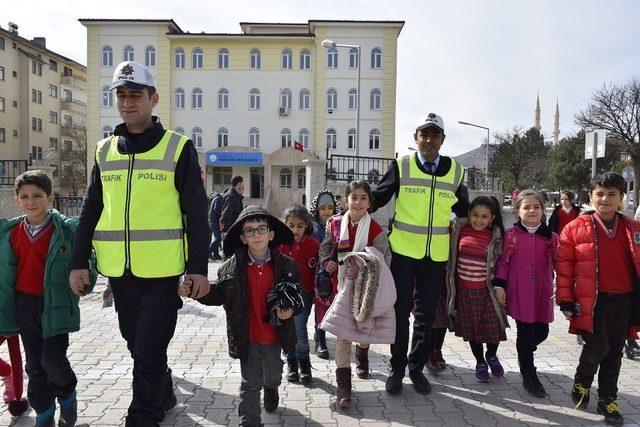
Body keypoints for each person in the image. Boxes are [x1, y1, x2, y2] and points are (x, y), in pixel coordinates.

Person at [68, 61, 210, 427]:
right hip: (119, 273)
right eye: (121, 95)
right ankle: (162, 392)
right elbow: (90, 210)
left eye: (135, 95)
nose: (128, 102)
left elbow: (196, 214)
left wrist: (197, 269)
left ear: (153, 99)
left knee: (147, 350)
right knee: (136, 344)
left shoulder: (178, 148)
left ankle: (143, 416)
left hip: (163, 273)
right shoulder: (104, 150)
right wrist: (77, 261)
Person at [371, 113, 469, 395]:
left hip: (435, 256)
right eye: (423, 135)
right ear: (416, 138)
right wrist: (355, 208)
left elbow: (464, 210)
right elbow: (380, 197)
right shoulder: (402, 165)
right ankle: (397, 369)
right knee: (400, 314)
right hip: (402, 252)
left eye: (434, 135)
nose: (428, 140)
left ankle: (416, 368)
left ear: (442, 140)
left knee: (426, 316)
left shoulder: (455, 170)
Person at [0, 170, 97, 427]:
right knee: (34, 363)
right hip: (24, 304)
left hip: (55, 304)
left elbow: (88, 259)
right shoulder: (10, 231)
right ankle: (44, 413)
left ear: (50, 198)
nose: (31, 201)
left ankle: (67, 395)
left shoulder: (66, 229)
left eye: (38, 196)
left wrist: (85, 279)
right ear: (17, 199)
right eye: (25, 197)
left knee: (52, 359)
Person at [189, 205, 301, 427]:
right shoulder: (229, 269)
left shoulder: (288, 266)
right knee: (249, 385)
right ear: (242, 237)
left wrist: (290, 309)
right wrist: (196, 291)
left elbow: (297, 296)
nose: (256, 235)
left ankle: (272, 388)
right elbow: (218, 294)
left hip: (274, 336)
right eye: (249, 230)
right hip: (247, 338)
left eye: (261, 229)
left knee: (272, 375)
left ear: (271, 233)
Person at [557, 172, 640, 426]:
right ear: (590, 196)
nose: (605, 199)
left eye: (611, 194)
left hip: (624, 300)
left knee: (614, 352)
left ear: (620, 198)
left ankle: (607, 399)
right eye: (600, 194)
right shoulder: (575, 227)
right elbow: (564, 265)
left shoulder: (632, 227)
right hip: (592, 301)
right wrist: (565, 299)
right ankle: (582, 381)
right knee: (598, 346)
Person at [319, 180, 392, 407]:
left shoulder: (376, 229)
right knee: (343, 336)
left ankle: (362, 355)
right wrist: (326, 261)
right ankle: (344, 388)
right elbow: (324, 246)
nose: (358, 202)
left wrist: (361, 263)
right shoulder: (335, 223)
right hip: (340, 287)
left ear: (369, 203)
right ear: (346, 200)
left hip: (364, 290)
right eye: (354, 197)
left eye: (363, 198)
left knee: (362, 332)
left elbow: (382, 258)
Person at [494, 190, 558, 398]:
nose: (532, 210)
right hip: (520, 292)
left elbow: (561, 264)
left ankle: (525, 352)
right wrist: (499, 286)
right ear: (517, 211)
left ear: (543, 210)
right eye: (526, 207)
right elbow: (503, 263)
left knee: (542, 333)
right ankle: (529, 375)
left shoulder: (552, 237)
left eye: (536, 207)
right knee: (525, 332)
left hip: (542, 292)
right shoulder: (511, 235)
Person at [446, 196, 508, 383]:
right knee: (472, 330)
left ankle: (491, 355)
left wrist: (500, 287)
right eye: (475, 215)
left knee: (493, 328)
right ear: (469, 214)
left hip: (487, 292)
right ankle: (480, 362)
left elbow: (501, 264)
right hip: (464, 292)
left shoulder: (496, 236)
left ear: (492, 218)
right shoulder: (459, 231)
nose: (479, 220)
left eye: (484, 216)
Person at [278, 204, 320, 385]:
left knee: (300, 329)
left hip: (305, 294)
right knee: (287, 330)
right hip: (285, 295)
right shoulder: (279, 244)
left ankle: (304, 363)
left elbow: (321, 266)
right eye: (291, 225)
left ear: (306, 226)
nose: (295, 230)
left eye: (300, 226)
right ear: (285, 224)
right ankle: (292, 364)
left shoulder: (313, 244)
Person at [309, 190, 338, 358]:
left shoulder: (337, 225)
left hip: (330, 272)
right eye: (323, 208)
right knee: (319, 307)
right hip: (314, 272)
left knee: (328, 306)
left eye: (329, 207)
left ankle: (324, 332)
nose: (326, 211)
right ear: (316, 210)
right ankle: (320, 340)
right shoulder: (312, 227)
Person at [0, 335, 28, 417]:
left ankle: (6, 373)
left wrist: (18, 396)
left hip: (7, 328)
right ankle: (6, 372)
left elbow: (16, 359)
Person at [208, 191, 224, 260]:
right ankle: (208, 251)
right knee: (218, 237)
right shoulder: (219, 199)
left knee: (217, 237)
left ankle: (216, 254)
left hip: (213, 221)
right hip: (215, 221)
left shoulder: (216, 198)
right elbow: (217, 210)